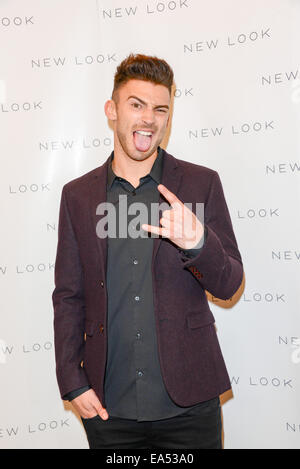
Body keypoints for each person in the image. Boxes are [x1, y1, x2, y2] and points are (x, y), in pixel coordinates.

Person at [52, 53, 243, 449]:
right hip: (109, 408)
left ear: (169, 117)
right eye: (136, 105)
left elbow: (229, 284)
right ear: (112, 109)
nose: (148, 119)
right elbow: (68, 296)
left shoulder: (200, 184)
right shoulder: (78, 196)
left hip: (190, 405)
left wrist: (200, 244)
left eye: (160, 109)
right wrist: (72, 380)